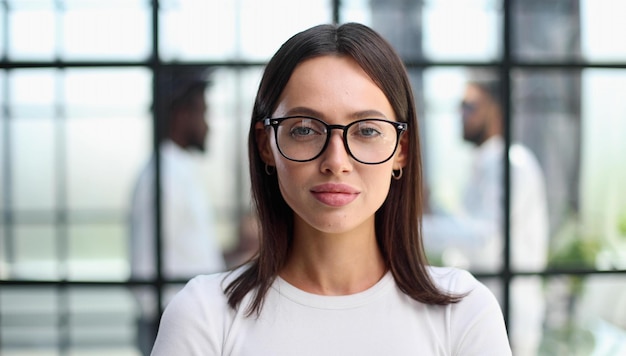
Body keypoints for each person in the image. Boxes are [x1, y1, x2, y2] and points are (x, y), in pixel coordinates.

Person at [151, 23, 511, 355]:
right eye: (305, 129)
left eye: (367, 130)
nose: (336, 161)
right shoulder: (204, 316)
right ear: (266, 145)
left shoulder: (464, 314)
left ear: (401, 149)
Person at [422, 74, 549, 356]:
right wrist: (431, 207)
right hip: (488, 313)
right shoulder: (487, 165)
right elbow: (472, 228)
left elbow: (485, 239)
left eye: (469, 106)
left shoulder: (512, 165)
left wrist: (413, 227)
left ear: (496, 110)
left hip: (509, 318)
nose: (461, 114)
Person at [129, 67, 226, 355]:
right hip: (173, 323)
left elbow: (182, 254)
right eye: (203, 113)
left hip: (182, 319)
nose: (209, 125)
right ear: (182, 116)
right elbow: (148, 267)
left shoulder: (177, 171)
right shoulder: (164, 176)